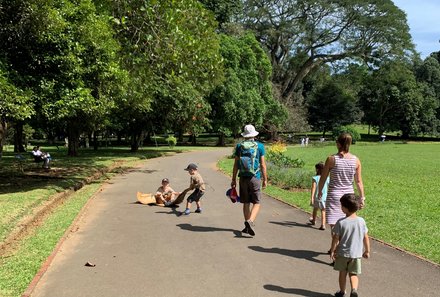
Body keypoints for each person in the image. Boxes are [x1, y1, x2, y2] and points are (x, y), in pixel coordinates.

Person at [318, 133, 365, 252]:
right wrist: (362, 198)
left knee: (335, 227)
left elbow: (323, 177)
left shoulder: (331, 159)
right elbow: (358, 181)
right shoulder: (356, 160)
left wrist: (319, 191)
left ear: (338, 144)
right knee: (347, 223)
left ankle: (337, 251)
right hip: (349, 196)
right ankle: (336, 249)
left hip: (334, 195)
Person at [330, 193, 370, 297]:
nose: (341, 207)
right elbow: (366, 237)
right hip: (356, 254)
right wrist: (367, 250)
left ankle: (342, 292)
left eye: (342, 205)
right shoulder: (361, 221)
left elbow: (336, 238)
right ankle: (354, 290)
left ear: (345, 208)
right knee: (353, 273)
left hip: (343, 253)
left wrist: (333, 250)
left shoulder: (341, 222)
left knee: (342, 273)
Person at [231, 124, 267, 236]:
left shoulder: (239, 146)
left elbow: (236, 164)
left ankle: (247, 226)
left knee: (246, 202)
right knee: (257, 202)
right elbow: (263, 165)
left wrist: (233, 179)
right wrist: (265, 179)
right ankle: (250, 221)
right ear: (254, 135)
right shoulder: (259, 146)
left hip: (242, 178)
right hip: (255, 177)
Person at [309, 162, 329, 230]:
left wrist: (312, 197)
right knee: (323, 210)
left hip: (317, 197)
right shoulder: (327, 178)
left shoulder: (315, 178)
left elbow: (313, 188)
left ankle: (315, 221)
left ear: (317, 169)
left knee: (315, 209)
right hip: (325, 197)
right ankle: (322, 224)